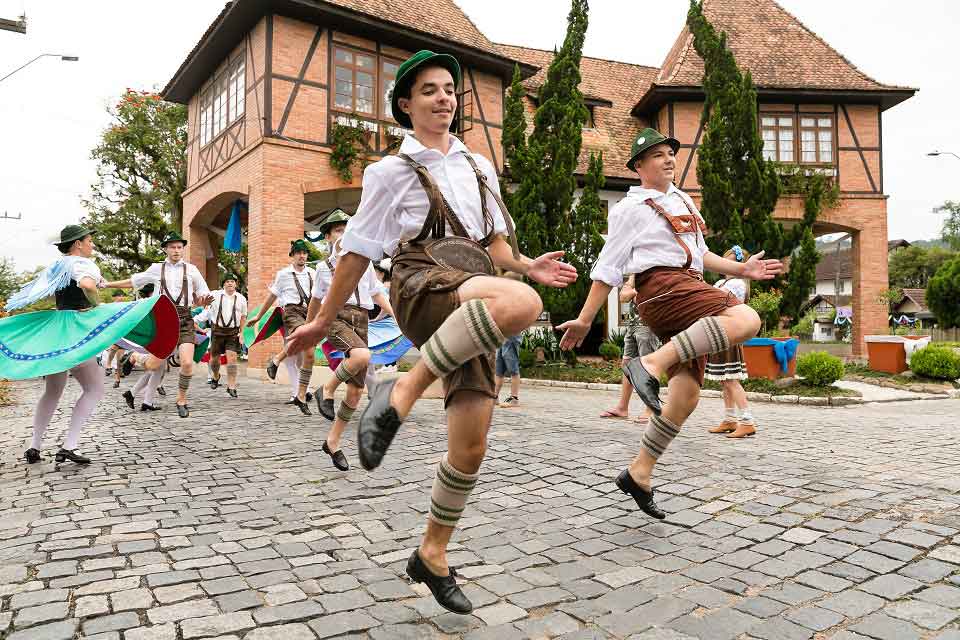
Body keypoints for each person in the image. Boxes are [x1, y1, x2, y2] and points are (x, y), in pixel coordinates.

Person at [285, 50, 576, 614]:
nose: (444, 97)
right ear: (405, 104)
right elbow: (357, 251)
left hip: (475, 297)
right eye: (430, 91)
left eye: (449, 90)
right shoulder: (388, 171)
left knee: (470, 446)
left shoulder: (478, 166)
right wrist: (323, 318)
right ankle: (402, 390)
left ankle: (432, 554)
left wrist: (524, 264)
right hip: (422, 284)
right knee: (524, 305)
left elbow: (492, 248)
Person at [559, 128, 783, 520]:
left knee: (686, 396)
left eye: (670, 153)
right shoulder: (630, 208)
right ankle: (651, 364)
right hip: (661, 287)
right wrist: (584, 317)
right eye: (657, 155)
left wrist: (741, 268)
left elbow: (701, 254)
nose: (667, 159)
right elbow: (608, 267)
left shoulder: (683, 200)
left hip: (687, 285)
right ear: (638, 166)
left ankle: (639, 472)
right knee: (746, 317)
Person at [1, 224, 177, 465]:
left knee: (52, 391)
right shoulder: (83, 264)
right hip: (76, 328)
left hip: (57, 327)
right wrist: (95, 306)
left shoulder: (56, 266)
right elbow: (87, 285)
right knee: (94, 389)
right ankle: (69, 446)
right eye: (89, 240)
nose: (92, 244)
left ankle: (34, 445)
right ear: (77, 244)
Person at [308, 211, 394, 471]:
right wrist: (309, 329)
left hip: (361, 319)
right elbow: (315, 300)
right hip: (336, 317)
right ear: (328, 237)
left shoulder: (366, 263)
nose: (343, 234)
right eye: (337, 230)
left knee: (356, 393)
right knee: (362, 357)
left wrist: (397, 317)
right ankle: (327, 389)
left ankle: (332, 442)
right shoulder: (325, 267)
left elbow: (377, 292)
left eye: (347, 229)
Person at [104, 230, 214, 418]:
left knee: (187, 363)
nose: (177, 250)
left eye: (180, 247)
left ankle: (181, 399)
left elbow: (203, 292)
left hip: (185, 318)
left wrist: (204, 300)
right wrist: (107, 285)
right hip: (163, 319)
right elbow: (134, 281)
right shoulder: (156, 268)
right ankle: (133, 358)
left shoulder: (192, 269)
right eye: (172, 247)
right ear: (165, 249)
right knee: (155, 365)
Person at [246, 239, 317, 414]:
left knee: (299, 358)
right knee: (301, 338)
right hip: (291, 313)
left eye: (304, 253)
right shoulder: (283, 274)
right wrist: (258, 316)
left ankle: (298, 392)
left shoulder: (313, 273)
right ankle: (278, 361)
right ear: (292, 255)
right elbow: (272, 297)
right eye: (298, 252)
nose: (302, 256)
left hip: (309, 312)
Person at [705, 247, 756, 438]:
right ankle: (729, 419)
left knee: (730, 378)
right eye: (725, 260)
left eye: (731, 261)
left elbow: (713, 300)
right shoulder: (721, 282)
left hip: (730, 332)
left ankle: (747, 421)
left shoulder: (737, 284)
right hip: (720, 330)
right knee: (724, 380)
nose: (727, 264)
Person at [600, 275, 659, 423]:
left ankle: (651, 408)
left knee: (649, 366)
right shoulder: (636, 272)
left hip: (649, 325)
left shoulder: (658, 269)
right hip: (633, 324)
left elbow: (654, 296)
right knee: (627, 365)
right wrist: (635, 292)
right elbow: (623, 296)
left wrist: (634, 291)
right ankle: (622, 408)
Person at [207, 274, 247, 397]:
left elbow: (243, 317)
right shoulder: (215, 295)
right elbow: (205, 305)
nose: (230, 283)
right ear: (223, 284)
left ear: (236, 284)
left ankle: (231, 386)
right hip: (217, 331)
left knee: (232, 359)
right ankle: (215, 375)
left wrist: (242, 333)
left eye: (232, 281)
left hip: (232, 332)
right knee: (214, 360)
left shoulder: (241, 298)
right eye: (227, 281)